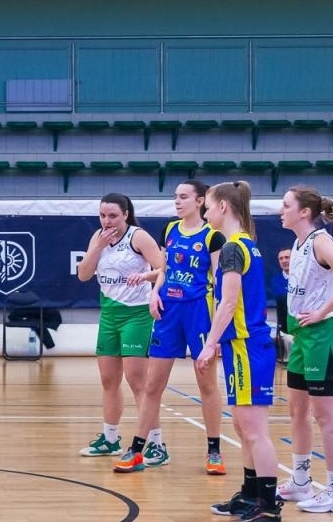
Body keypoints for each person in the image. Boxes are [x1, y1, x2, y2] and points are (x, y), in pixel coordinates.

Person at [119, 180, 225, 476]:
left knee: (206, 385)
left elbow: (219, 284)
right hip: (168, 313)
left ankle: (214, 450)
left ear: (200, 200)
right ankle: (137, 449)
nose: (177, 201)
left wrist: (216, 331)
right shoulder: (170, 229)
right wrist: (154, 292)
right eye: (175, 197)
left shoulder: (213, 237)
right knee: (153, 385)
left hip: (199, 314)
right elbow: (165, 269)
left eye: (183, 197)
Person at [196, 181, 282, 522]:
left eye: (208, 206)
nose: (204, 212)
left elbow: (229, 303)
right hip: (240, 346)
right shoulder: (245, 245)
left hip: (248, 344)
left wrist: (208, 342)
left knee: (255, 430)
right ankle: (250, 494)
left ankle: (269, 507)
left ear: (223, 208)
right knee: (241, 426)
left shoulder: (233, 248)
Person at [276, 186, 333, 515]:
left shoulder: (321, 241)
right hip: (303, 335)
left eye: (286, 205)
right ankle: (300, 481)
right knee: (296, 410)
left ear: (303, 212)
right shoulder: (298, 245)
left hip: (324, 334)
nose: (281, 210)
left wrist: (325, 310)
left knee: (325, 416)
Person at [75, 193, 165, 460]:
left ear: (126, 214)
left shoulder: (138, 237)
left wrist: (144, 275)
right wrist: (96, 248)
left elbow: (164, 269)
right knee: (108, 380)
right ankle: (110, 438)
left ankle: (157, 443)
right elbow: (83, 275)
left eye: (112, 215)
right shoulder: (98, 237)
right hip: (109, 315)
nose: (107, 220)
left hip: (137, 314)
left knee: (138, 381)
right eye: (102, 215)